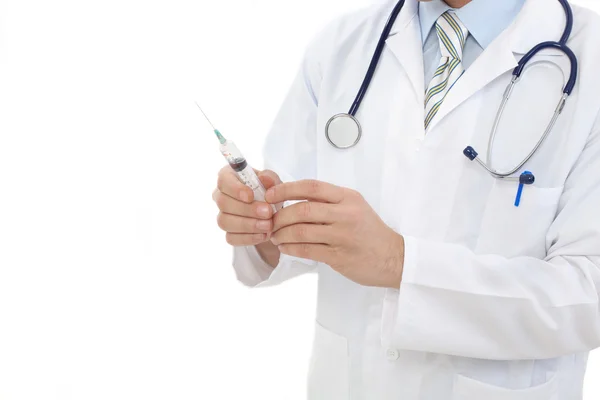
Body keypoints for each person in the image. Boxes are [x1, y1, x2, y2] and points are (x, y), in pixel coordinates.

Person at [212, 0, 600, 398]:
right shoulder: (343, 45)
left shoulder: (591, 56)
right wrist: (263, 226)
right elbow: (295, 214)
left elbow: (590, 294)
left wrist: (399, 263)